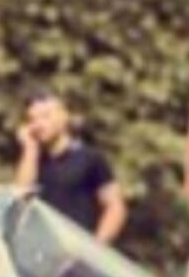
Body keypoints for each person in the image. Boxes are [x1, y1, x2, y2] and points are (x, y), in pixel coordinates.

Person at [12, 86, 126, 244]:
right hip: (41, 254)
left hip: (78, 252)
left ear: (63, 116)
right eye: (32, 119)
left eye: (45, 116)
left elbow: (115, 207)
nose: (38, 124)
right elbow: (20, 198)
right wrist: (30, 149)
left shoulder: (89, 158)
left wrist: (96, 248)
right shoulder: (31, 160)